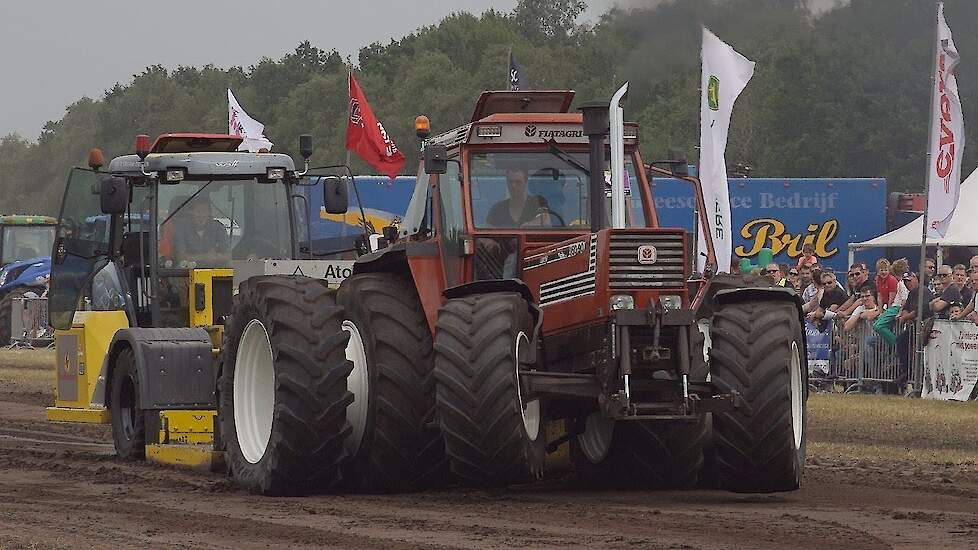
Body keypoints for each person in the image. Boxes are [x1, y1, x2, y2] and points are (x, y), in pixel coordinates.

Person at [894, 272, 932, 393]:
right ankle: (907, 371)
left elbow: (920, 310)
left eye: (909, 280)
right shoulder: (912, 293)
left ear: (916, 279)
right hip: (916, 325)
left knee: (918, 350)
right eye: (905, 281)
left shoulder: (923, 291)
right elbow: (906, 307)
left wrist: (905, 318)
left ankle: (911, 374)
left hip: (925, 326)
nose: (907, 283)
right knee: (901, 341)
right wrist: (904, 314)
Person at [485, 168, 553, 227]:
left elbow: (547, 223)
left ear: (525, 181)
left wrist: (528, 225)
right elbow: (485, 234)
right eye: (511, 182)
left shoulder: (538, 202)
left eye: (518, 182)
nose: (514, 186)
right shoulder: (498, 209)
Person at [170, 199, 228, 266]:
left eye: (204, 211)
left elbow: (228, 256)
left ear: (209, 213)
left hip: (214, 272)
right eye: (198, 211)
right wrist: (205, 257)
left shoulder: (218, 228)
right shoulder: (180, 228)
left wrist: (216, 257)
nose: (201, 215)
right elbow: (180, 257)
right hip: (185, 272)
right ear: (190, 213)